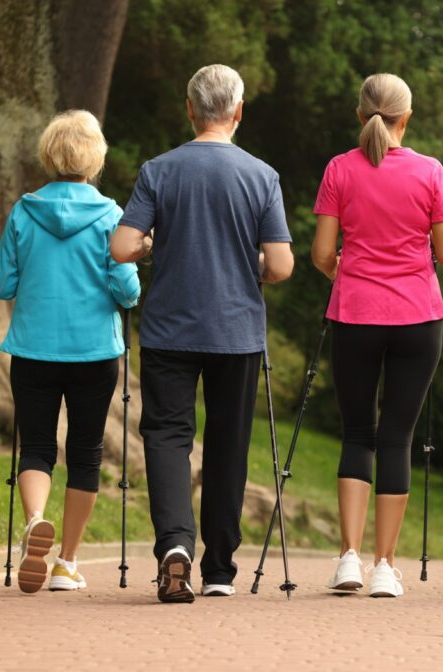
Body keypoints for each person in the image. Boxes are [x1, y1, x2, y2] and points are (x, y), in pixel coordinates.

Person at [111, 64, 294, 603]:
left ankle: (175, 546)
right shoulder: (261, 176)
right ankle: (219, 568)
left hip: (170, 328)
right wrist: (247, 263)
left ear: (189, 110)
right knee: (227, 443)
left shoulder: (159, 170)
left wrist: (153, 247)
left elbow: (122, 247)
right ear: (238, 113)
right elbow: (281, 266)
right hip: (236, 330)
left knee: (166, 436)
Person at [311, 73, 443, 598]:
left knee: (357, 434)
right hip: (418, 319)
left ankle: (348, 558)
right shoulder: (430, 172)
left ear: (361, 115)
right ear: (407, 117)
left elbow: (321, 255)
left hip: (354, 316)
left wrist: (351, 275)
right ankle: (384, 566)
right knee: (396, 436)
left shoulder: (338, 170)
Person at [0, 110, 141, 594]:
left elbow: (2, 284)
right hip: (94, 351)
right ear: (95, 158)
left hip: (33, 347)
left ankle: (35, 520)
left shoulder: (23, 210)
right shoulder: (111, 216)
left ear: (49, 154)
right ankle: (66, 563)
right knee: (86, 454)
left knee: (35, 445)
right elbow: (126, 291)